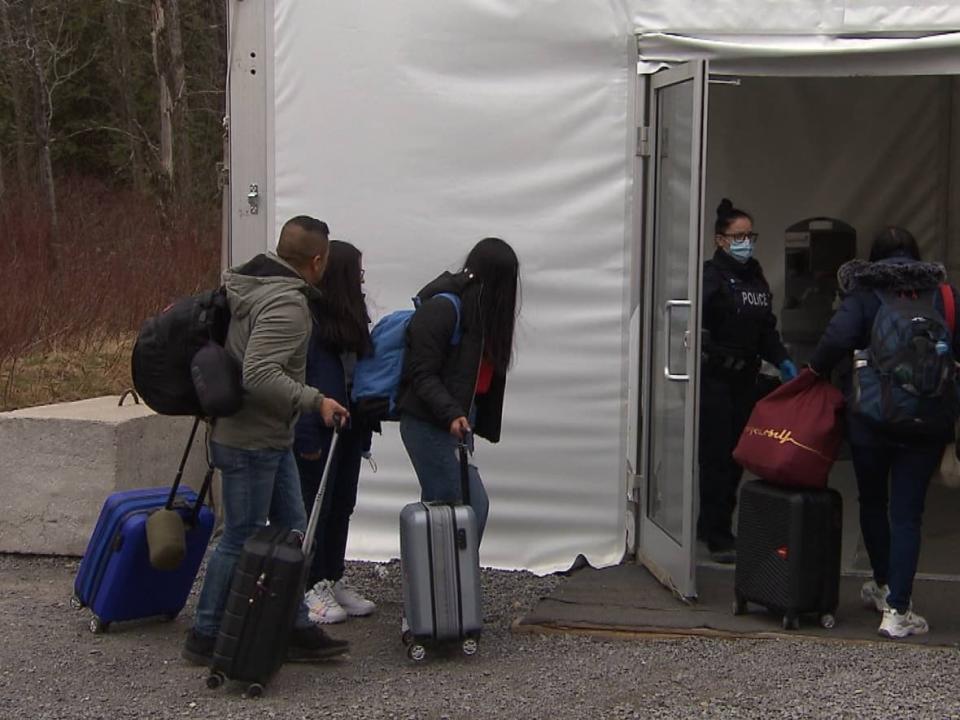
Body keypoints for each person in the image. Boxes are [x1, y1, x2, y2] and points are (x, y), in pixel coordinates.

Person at [182, 215, 351, 665]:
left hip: (268, 438)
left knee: (294, 531)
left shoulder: (254, 283)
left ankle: (293, 624)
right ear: (318, 260)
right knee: (239, 535)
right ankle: (206, 632)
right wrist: (316, 400)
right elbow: (258, 373)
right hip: (250, 442)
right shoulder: (287, 305)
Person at [810, 227, 960, 638]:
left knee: (873, 500)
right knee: (908, 513)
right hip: (927, 419)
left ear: (874, 258)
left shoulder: (864, 293)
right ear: (916, 255)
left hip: (870, 418)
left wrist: (813, 371)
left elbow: (836, 339)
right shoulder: (945, 295)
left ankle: (881, 583)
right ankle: (898, 611)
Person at [397, 237, 521, 542]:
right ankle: (447, 583)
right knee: (468, 507)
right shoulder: (445, 307)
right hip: (431, 423)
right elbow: (421, 373)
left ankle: (442, 584)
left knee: (445, 509)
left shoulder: (480, 314)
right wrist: (452, 413)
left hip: (456, 423)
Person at [699, 199, 797, 563]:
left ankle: (709, 523)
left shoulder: (754, 276)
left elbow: (764, 329)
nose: (746, 242)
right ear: (720, 240)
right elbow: (693, 325)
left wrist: (783, 360)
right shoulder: (711, 278)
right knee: (717, 459)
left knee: (737, 457)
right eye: (738, 236)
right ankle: (718, 534)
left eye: (749, 235)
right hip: (715, 380)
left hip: (746, 380)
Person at [295, 240, 378, 624]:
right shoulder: (310, 319)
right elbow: (306, 379)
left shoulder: (354, 318)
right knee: (317, 506)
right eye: (357, 272)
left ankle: (332, 575)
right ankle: (309, 584)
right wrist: (308, 437)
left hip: (350, 425)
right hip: (320, 426)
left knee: (342, 504)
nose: (362, 279)